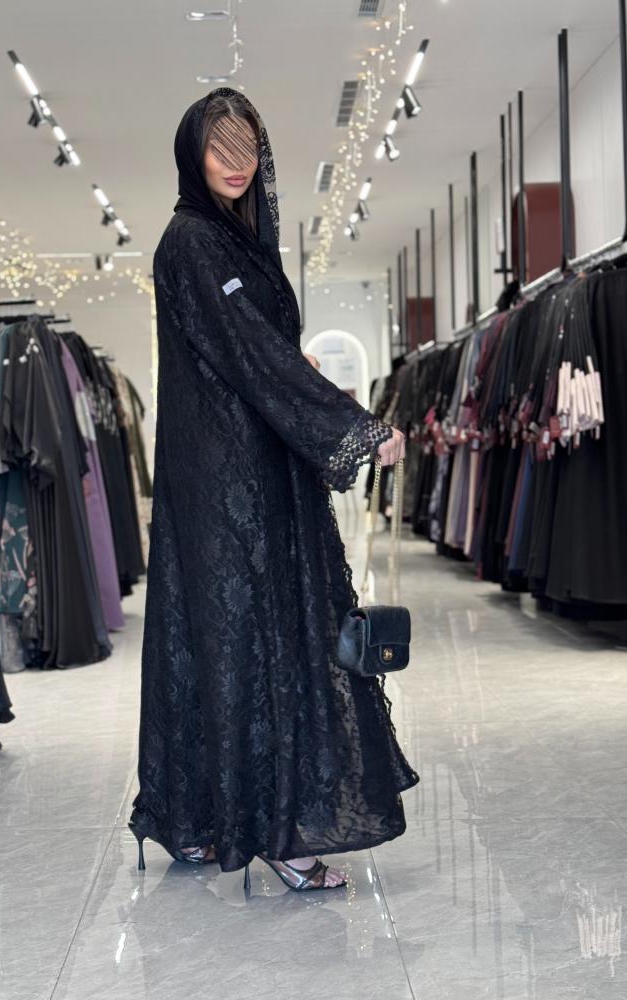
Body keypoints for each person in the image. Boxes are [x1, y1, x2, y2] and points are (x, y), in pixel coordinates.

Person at [128, 88, 418, 893]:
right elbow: (251, 352)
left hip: (244, 472)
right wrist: (357, 426)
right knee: (258, 642)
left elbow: (255, 350)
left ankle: (198, 818)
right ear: (191, 154)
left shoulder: (235, 242)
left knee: (219, 641)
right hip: (228, 486)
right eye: (219, 147)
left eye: (248, 147)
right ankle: (282, 831)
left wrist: (307, 385)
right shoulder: (192, 240)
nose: (236, 164)